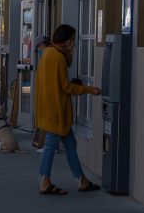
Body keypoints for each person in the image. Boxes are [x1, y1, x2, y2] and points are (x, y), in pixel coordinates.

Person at [35, 23, 102, 196]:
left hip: (50, 108)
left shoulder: (48, 53)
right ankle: (44, 182)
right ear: (64, 40)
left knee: (70, 145)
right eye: (71, 40)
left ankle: (82, 180)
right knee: (51, 145)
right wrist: (89, 90)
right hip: (57, 111)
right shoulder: (58, 57)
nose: (73, 43)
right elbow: (66, 87)